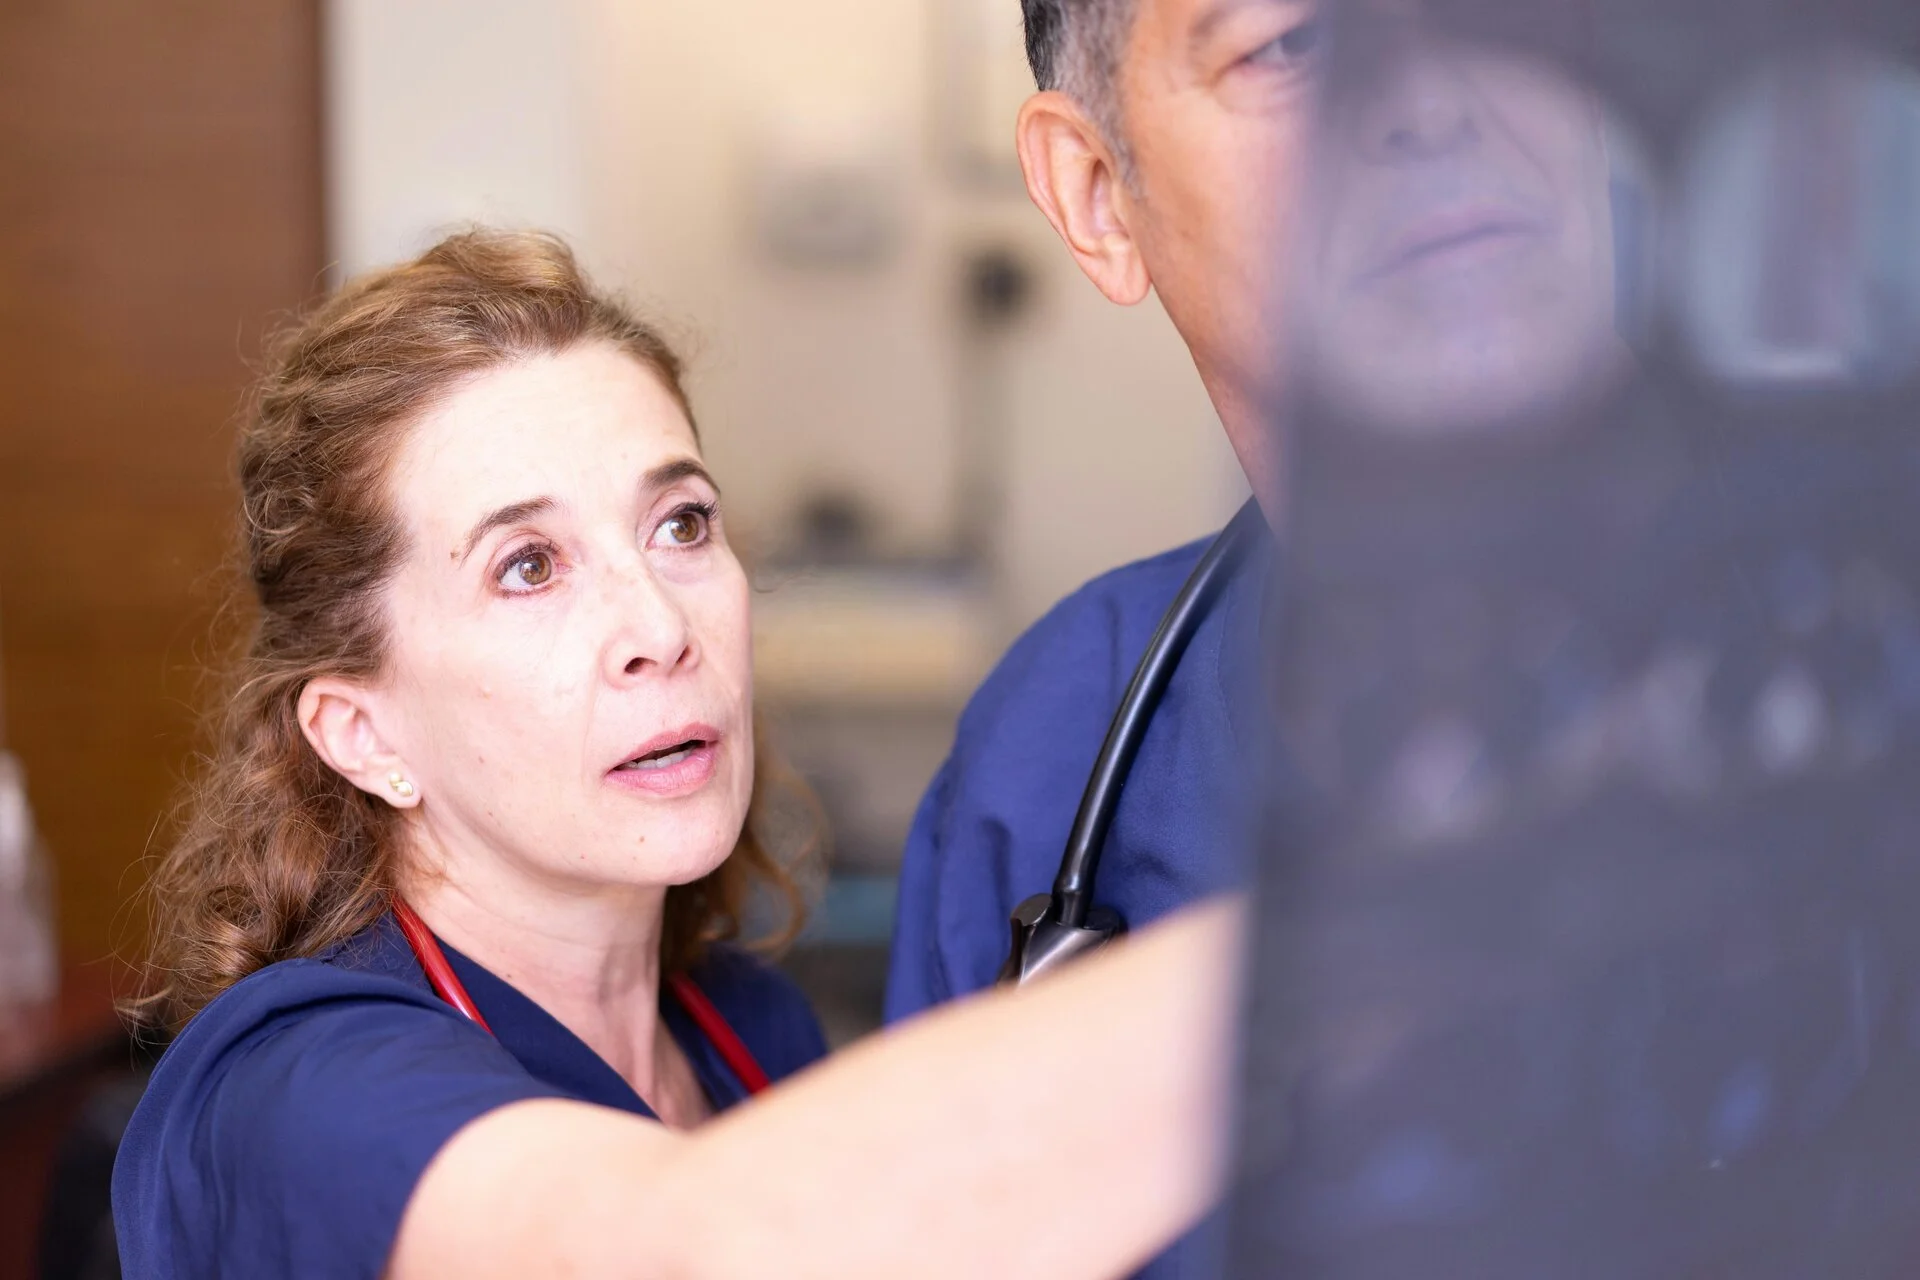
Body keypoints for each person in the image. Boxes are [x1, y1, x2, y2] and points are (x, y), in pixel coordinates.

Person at [111, 229, 1244, 1280]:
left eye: (681, 524)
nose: (659, 626)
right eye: (527, 567)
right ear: (365, 732)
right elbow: (683, 1247)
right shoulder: (291, 1092)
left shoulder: (750, 1028)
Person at [886, 0, 1631, 1271]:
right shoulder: (1052, 755)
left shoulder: (1853, 639)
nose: (1438, 96)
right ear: (1098, 195)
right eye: (1292, 45)